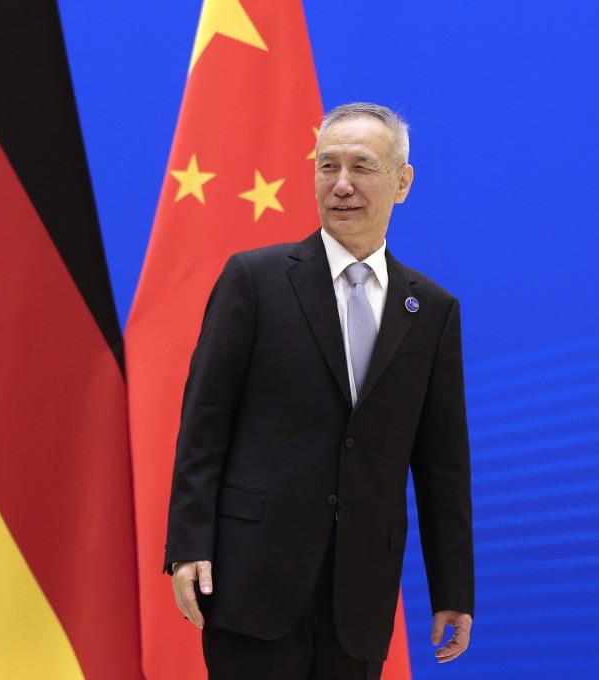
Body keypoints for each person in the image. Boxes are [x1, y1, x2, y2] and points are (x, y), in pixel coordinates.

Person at [165, 102, 474, 679]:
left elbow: (443, 465)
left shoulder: (431, 309)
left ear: (402, 182)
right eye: (327, 166)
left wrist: (453, 586)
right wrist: (188, 544)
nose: (342, 185)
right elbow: (204, 422)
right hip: (251, 577)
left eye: (363, 167)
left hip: (360, 592)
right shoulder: (254, 280)